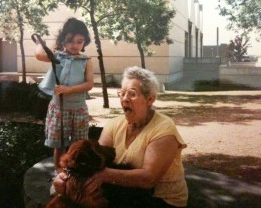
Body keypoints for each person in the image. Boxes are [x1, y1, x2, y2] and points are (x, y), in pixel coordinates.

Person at [54, 66, 188, 208]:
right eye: (122, 93)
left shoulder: (164, 129)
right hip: (127, 192)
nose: (124, 99)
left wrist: (104, 175)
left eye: (132, 94)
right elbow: (97, 160)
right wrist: (65, 178)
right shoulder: (114, 124)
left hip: (161, 200)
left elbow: (148, 179)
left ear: (150, 99)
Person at [35, 17, 93, 173]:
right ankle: (59, 174)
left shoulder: (86, 60)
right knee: (59, 145)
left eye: (79, 41)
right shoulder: (57, 57)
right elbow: (39, 55)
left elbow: (89, 84)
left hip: (79, 110)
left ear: (85, 42)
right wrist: (40, 44)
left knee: (77, 146)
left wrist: (69, 89)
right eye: (70, 41)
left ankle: (74, 173)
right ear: (63, 40)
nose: (75, 45)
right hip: (60, 109)